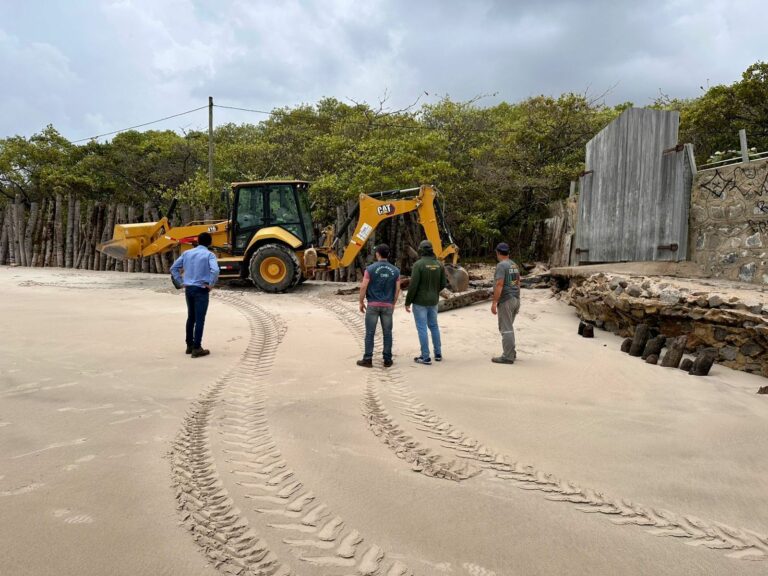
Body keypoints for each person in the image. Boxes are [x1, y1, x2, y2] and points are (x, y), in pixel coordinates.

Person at [170, 232, 220, 358]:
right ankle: (197, 348)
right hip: (201, 289)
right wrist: (211, 284)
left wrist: (181, 282)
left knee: (190, 317)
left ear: (197, 241)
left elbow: (173, 268)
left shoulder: (187, 253)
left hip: (189, 289)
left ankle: (189, 346)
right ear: (210, 243)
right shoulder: (209, 255)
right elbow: (215, 270)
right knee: (200, 320)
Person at [357, 244, 401, 368]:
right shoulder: (395, 270)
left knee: (370, 333)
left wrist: (361, 301)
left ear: (377, 254)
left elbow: (364, 286)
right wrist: (393, 303)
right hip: (387, 305)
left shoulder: (370, 269)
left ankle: (367, 359)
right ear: (388, 255)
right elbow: (397, 289)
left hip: (372, 305)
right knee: (387, 333)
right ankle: (387, 359)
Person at [405, 240, 446, 365]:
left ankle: (425, 356)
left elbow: (413, 286)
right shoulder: (439, 264)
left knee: (422, 328)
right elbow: (443, 284)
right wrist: (434, 292)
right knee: (434, 326)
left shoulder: (418, 265)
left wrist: (408, 302)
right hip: (433, 300)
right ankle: (438, 353)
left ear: (421, 250)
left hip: (420, 302)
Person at [491, 242, 521, 364]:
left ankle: (508, 356)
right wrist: (518, 298)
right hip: (515, 298)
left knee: (506, 328)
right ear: (508, 253)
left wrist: (494, 302)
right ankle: (511, 352)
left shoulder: (501, 265)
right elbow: (518, 282)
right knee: (507, 326)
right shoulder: (514, 265)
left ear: (498, 253)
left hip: (506, 300)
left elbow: (499, 284)